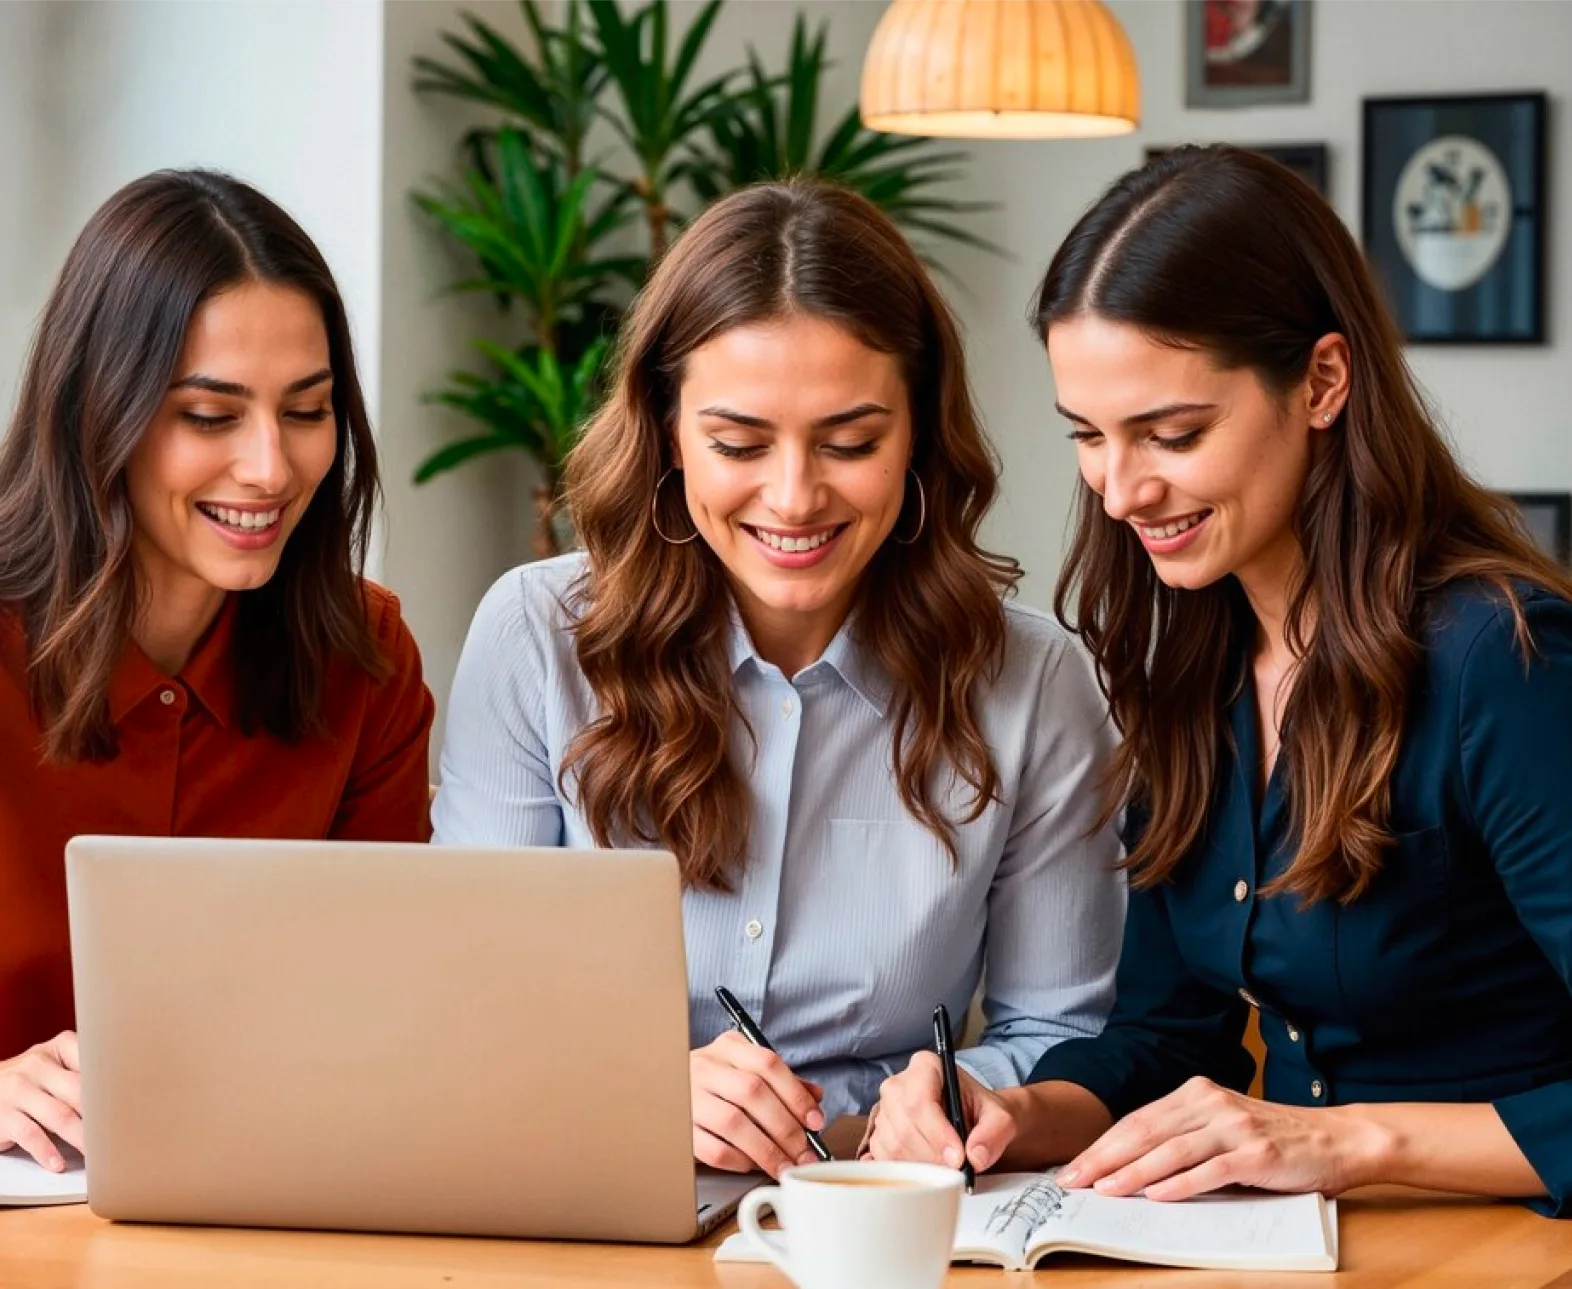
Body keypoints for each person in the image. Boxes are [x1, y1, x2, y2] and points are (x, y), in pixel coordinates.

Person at [866, 144, 1572, 1217]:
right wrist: (1002, 1105)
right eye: (1090, 438)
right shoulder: (1197, 665)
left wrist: (1346, 1140)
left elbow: (1308, 1134)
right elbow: (1169, 1038)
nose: (1121, 489)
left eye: (1173, 433)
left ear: (1323, 382)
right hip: (1298, 1246)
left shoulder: (1502, 660)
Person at [433, 180, 1126, 1179]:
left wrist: (975, 1099)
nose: (795, 496)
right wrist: (643, 1086)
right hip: (591, 1192)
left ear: (920, 436)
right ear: (668, 430)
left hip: (887, 1210)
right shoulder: (538, 634)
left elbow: (1060, 1034)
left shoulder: (1033, 682)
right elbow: (469, 1000)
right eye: (738, 443)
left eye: (851, 442)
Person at [0, 170, 435, 1173]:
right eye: (210, 415)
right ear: (93, 409)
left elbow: (387, 1015)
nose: (271, 468)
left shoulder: (363, 662)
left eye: (308, 409)